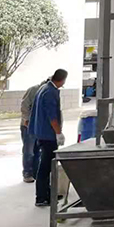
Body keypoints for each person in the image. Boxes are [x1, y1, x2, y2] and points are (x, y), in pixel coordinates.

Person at [29, 68, 68, 207]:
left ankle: (48, 193)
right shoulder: (50, 92)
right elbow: (52, 116)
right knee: (46, 166)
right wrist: (58, 133)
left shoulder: (44, 88)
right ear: (62, 80)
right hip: (47, 135)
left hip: (41, 132)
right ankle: (41, 197)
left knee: (46, 165)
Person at [20, 78, 46, 183]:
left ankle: (35, 172)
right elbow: (24, 106)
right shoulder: (33, 90)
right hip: (28, 126)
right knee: (29, 151)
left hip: (40, 127)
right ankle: (27, 173)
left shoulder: (50, 93)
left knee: (37, 151)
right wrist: (27, 120)